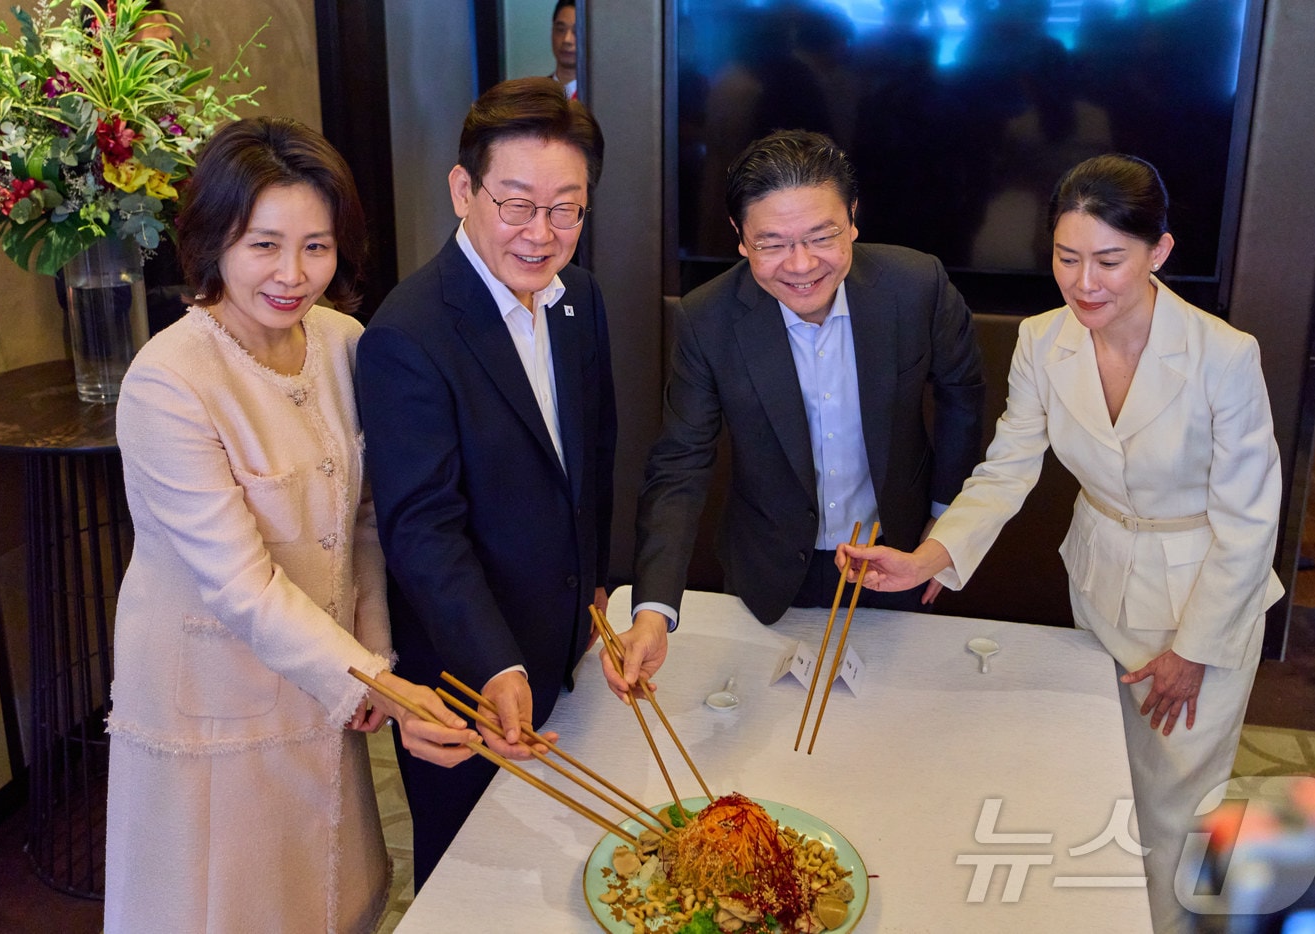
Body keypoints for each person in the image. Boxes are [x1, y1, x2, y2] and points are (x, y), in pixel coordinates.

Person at [836, 153, 1283, 934]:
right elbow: (1008, 468)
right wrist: (929, 558)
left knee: (1177, 798)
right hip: (1099, 578)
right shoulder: (1046, 341)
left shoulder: (1223, 355)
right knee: (1097, 772)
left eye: (1109, 260)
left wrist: (1194, 647)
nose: (1085, 283)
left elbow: (1249, 520)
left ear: (1159, 252)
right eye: (1067, 258)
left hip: (1201, 601)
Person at [104, 116, 479, 934]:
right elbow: (240, 583)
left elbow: (369, 518)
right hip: (214, 697)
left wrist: (374, 651)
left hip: (326, 683)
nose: (292, 273)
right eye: (263, 245)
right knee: (229, 903)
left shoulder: (344, 342)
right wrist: (377, 683)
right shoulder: (169, 381)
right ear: (211, 242)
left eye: (317, 246)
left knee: (330, 893)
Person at [355, 76, 635, 890]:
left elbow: (592, 457)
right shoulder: (407, 335)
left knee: (566, 873)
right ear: (463, 191)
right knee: (473, 884)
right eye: (515, 204)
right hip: (468, 679)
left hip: (566, 647)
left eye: (566, 209)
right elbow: (422, 529)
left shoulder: (578, 298)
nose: (540, 233)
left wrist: (596, 589)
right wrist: (495, 665)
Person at [610, 129, 984, 696]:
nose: (802, 264)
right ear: (739, 237)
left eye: (821, 236)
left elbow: (962, 394)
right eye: (773, 243)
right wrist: (654, 610)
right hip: (768, 566)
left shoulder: (915, 286)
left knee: (896, 729)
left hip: (899, 550)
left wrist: (945, 525)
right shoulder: (706, 320)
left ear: (853, 218)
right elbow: (680, 465)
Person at [550, 0, 578, 100]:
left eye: (577, 31)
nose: (567, 40)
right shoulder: (534, 96)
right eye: (561, 30)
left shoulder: (605, 96)